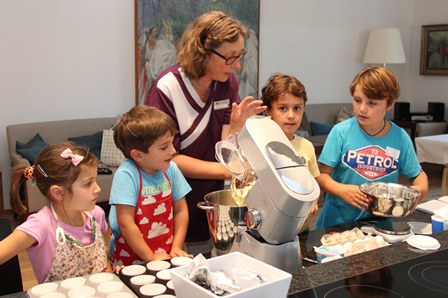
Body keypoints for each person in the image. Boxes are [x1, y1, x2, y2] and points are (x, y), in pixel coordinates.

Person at [144, 10, 266, 253]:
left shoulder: (226, 83)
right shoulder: (166, 89)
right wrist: (227, 171)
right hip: (173, 198)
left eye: (240, 56)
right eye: (230, 58)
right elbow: (168, 157)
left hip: (213, 196)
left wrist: (236, 128)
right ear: (202, 51)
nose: (238, 65)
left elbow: (225, 146)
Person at [315, 66, 428, 228]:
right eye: (357, 100)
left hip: (379, 226)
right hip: (336, 224)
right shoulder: (341, 132)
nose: (362, 108)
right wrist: (341, 190)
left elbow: (419, 176)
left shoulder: (400, 137)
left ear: (389, 104)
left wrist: (418, 192)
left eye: (372, 103)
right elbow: (321, 176)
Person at [0, 143, 111, 283]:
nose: (98, 189)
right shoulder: (41, 225)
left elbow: (102, 259)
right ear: (58, 192)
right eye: (88, 183)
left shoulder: (97, 215)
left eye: (95, 180)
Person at [109, 105, 192, 266]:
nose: (173, 150)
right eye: (164, 147)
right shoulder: (127, 175)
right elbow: (125, 223)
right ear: (137, 155)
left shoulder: (171, 169)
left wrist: (176, 247)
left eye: (171, 143)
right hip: (132, 259)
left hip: (165, 253)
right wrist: (150, 258)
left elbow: (181, 211)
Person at [261, 73, 320, 233]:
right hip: (268, 229)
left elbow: (313, 183)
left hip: (301, 228)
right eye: (282, 108)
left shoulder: (306, 146)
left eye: (297, 108)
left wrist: (313, 201)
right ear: (268, 111)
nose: (291, 115)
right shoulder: (261, 145)